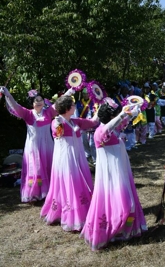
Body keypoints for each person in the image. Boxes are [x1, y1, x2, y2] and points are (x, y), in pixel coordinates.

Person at [81, 98, 147, 250]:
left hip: (120, 172)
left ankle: (125, 231)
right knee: (125, 204)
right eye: (115, 115)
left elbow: (120, 123)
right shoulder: (101, 132)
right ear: (110, 117)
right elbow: (110, 127)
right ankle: (115, 229)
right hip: (112, 176)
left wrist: (132, 111)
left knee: (127, 203)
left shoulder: (112, 130)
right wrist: (122, 114)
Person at [0, 86, 73, 202]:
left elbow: (59, 102)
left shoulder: (49, 112)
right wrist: (7, 94)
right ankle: (35, 194)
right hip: (33, 148)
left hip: (48, 146)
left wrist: (69, 91)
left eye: (41, 100)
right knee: (35, 169)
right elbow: (15, 105)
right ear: (32, 103)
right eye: (36, 100)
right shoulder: (27, 114)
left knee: (49, 167)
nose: (39, 102)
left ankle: (50, 192)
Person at [40, 95, 99, 231]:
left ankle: (83, 209)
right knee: (70, 184)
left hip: (77, 157)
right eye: (72, 105)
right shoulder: (56, 122)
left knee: (79, 182)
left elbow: (92, 122)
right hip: (65, 159)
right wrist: (61, 122)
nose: (74, 106)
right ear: (67, 108)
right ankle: (72, 216)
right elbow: (58, 133)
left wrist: (98, 109)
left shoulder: (74, 121)